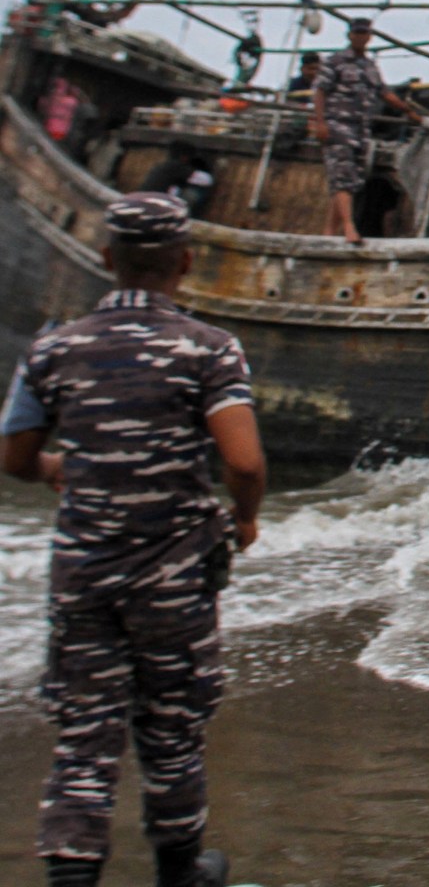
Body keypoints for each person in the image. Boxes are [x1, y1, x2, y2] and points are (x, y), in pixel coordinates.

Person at [2, 192, 267, 887]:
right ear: (184, 262)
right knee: (172, 725)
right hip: (173, 572)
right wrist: (244, 519)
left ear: (105, 258)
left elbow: (16, 457)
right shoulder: (209, 348)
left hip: (85, 570)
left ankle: (72, 875)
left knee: (85, 733)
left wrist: (61, 467)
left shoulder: (53, 348)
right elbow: (243, 461)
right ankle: (180, 869)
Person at [310, 17, 424, 244]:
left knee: (351, 180)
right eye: (357, 33)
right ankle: (349, 227)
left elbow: (384, 93)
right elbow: (320, 92)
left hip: (361, 128)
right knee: (341, 176)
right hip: (337, 125)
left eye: (365, 34)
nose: (361, 37)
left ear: (369, 37)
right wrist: (320, 122)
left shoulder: (369, 66)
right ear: (350, 35)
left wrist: (408, 111)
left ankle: (329, 232)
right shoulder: (336, 61)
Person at [139, 141, 217, 218]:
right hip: (158, 206)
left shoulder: (160, 166)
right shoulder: (176, 167)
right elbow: (207, 180)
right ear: (184, 156)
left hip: (144, 203)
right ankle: (189, 217)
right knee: (197, 190)